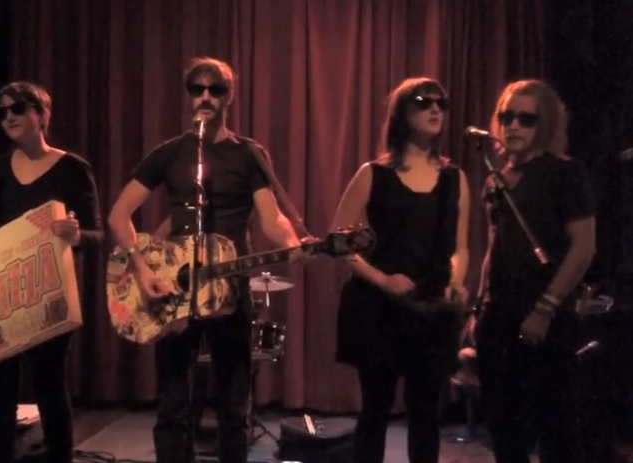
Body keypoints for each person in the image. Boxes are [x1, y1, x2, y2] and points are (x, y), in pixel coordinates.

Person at [107, 56, 307, 463]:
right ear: (188, 96)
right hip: (175, 287)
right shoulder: (170, 153)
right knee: (172, 404)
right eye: (196, 89)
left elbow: (272, 218)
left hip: (230, 285)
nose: (205, 96)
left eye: (215, 89)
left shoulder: (249, 155)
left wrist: (292, 242)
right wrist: (142, 270)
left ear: (229, 96)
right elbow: (118, 215)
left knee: (233, 403)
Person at [331, 77, 471, 463]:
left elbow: (459, 247)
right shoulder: (373, 174)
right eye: (424, 102)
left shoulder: (454, 178)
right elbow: (338, 241)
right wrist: (383, 280)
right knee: (375, 409)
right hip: (377, 308)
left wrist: (456, 281)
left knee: (426, 413)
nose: (435, 109)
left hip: (430, 309)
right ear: (401, 114)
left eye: (441, 103)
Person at [0, 81, 104, 463]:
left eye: (18, 109)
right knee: (0, 391)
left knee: (49, 384)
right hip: (3, 292)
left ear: (42, 115)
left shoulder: (72, 168)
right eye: (3, 113)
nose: (8, 118)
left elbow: (96, 234)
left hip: (50, 292)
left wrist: (76, 235)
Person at [474, 79, 595, 463]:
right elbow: (494, 248)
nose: (513, 126)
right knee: (504, 430)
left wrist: (545, 309)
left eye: (526, 119)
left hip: (546, 316)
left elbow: (584, 247)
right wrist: (479, 307)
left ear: (546, 124)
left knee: (554, 427)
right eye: (507, 116)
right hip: (498, 315)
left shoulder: (564, 172)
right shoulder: (496, 179)